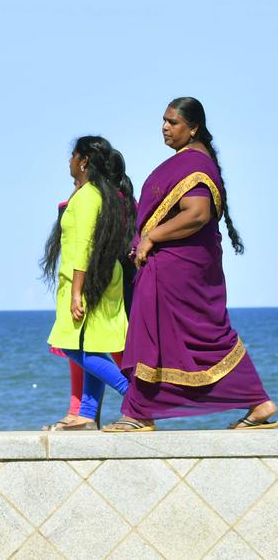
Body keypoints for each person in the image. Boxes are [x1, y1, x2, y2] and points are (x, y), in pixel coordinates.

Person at [105, 97, 276, 431]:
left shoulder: (195, 166)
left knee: (203, 338)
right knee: (166, 338)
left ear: (193, 127)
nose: (165, 128)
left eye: (173, 122)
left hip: (180, 270)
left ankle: (139, 414)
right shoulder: (188, 162)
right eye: (164, 121)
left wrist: (152, 237)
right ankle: (258, 402)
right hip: (169, 268)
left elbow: (196, 214)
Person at [39, 137, 136, 430]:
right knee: (91, 347)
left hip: (85, 281)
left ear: (83, 162)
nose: (69, 160)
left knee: (70, 345)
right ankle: (87, 412)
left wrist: (77, 292)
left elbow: (82, 246)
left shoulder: (86, 197)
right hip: (99, 278)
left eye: (73, 155)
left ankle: (134, 397)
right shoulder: (98, 193)